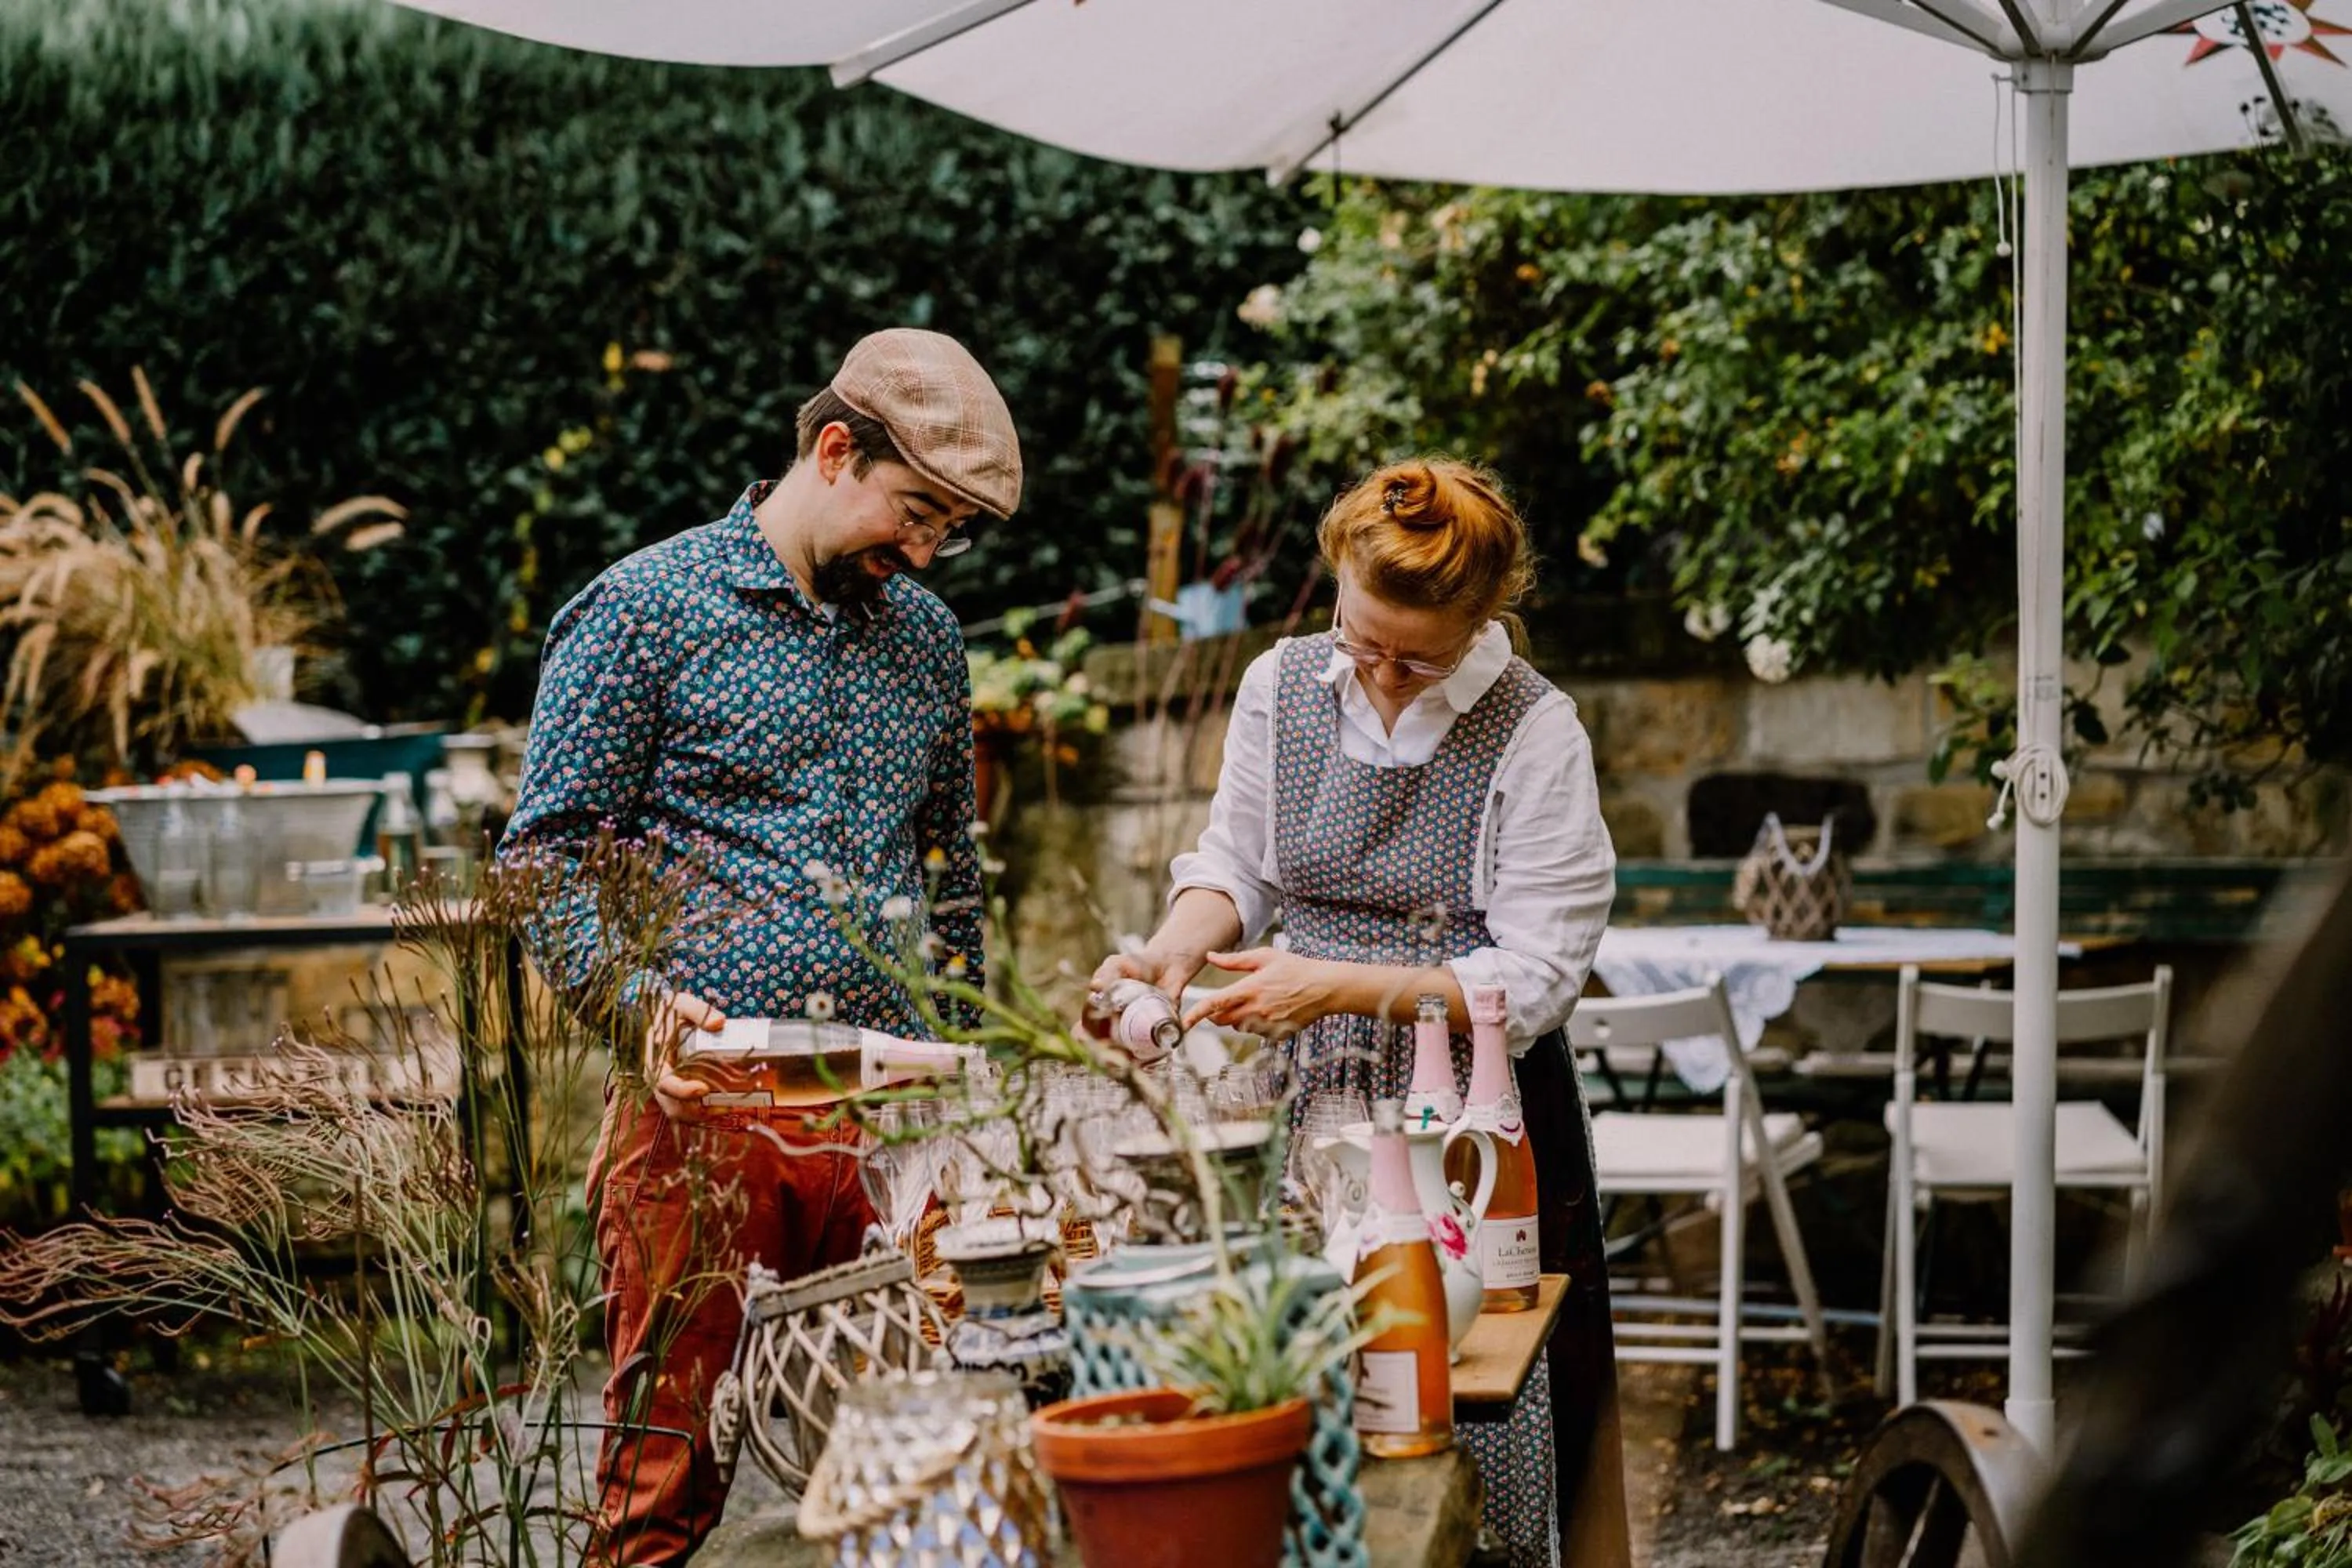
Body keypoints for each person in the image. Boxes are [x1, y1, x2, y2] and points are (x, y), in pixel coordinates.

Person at [500, 328, 1019, 1564]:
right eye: (915, 513)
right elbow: (542, 859)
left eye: (950, 531)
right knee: (664, 1484)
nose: (925, 550)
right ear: (836, 449)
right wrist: (635, 1012)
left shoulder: (928, 639)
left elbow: (953, 869)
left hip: (895, 1122)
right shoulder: (643, 612)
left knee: (914, 1472)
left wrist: (972, 1075)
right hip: (707, 1118)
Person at [1091, 457, 1627, 1566]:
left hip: (1470, 1121)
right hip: (1302, 1092)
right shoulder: (1280, 684)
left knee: (1465, 1395)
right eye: (1359, 637)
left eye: (1414, 656)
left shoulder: (1535, 732)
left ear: (1483, 621)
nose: (1379, 673)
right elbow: (1238, 864)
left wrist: (1332, 984)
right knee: (1292, 1378)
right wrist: (1168, 951)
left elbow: (1536, 978)